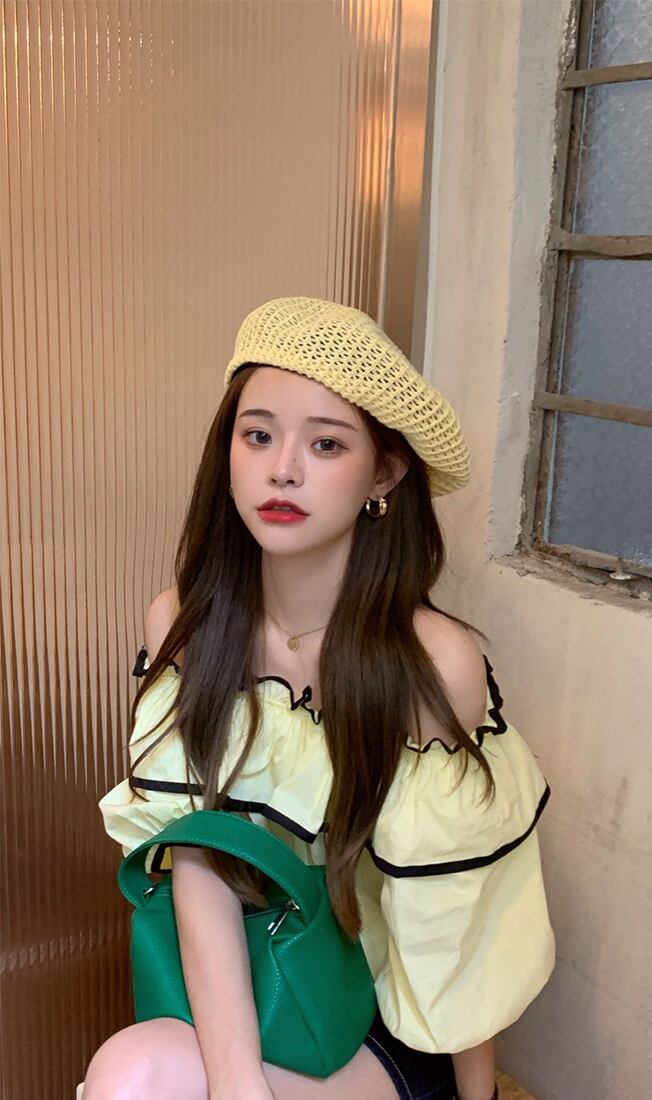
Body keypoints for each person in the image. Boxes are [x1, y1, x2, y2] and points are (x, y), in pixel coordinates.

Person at [79, 297, 555, 1100]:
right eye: (258, 435)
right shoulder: (184, 626)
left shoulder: (432, 665)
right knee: (128, 1073)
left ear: (384, 474)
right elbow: (201, 856)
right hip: (252, 992)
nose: (283, 470)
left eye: (326, 444)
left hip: (379, 1021)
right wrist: (237, 1081)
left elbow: (456, 919)